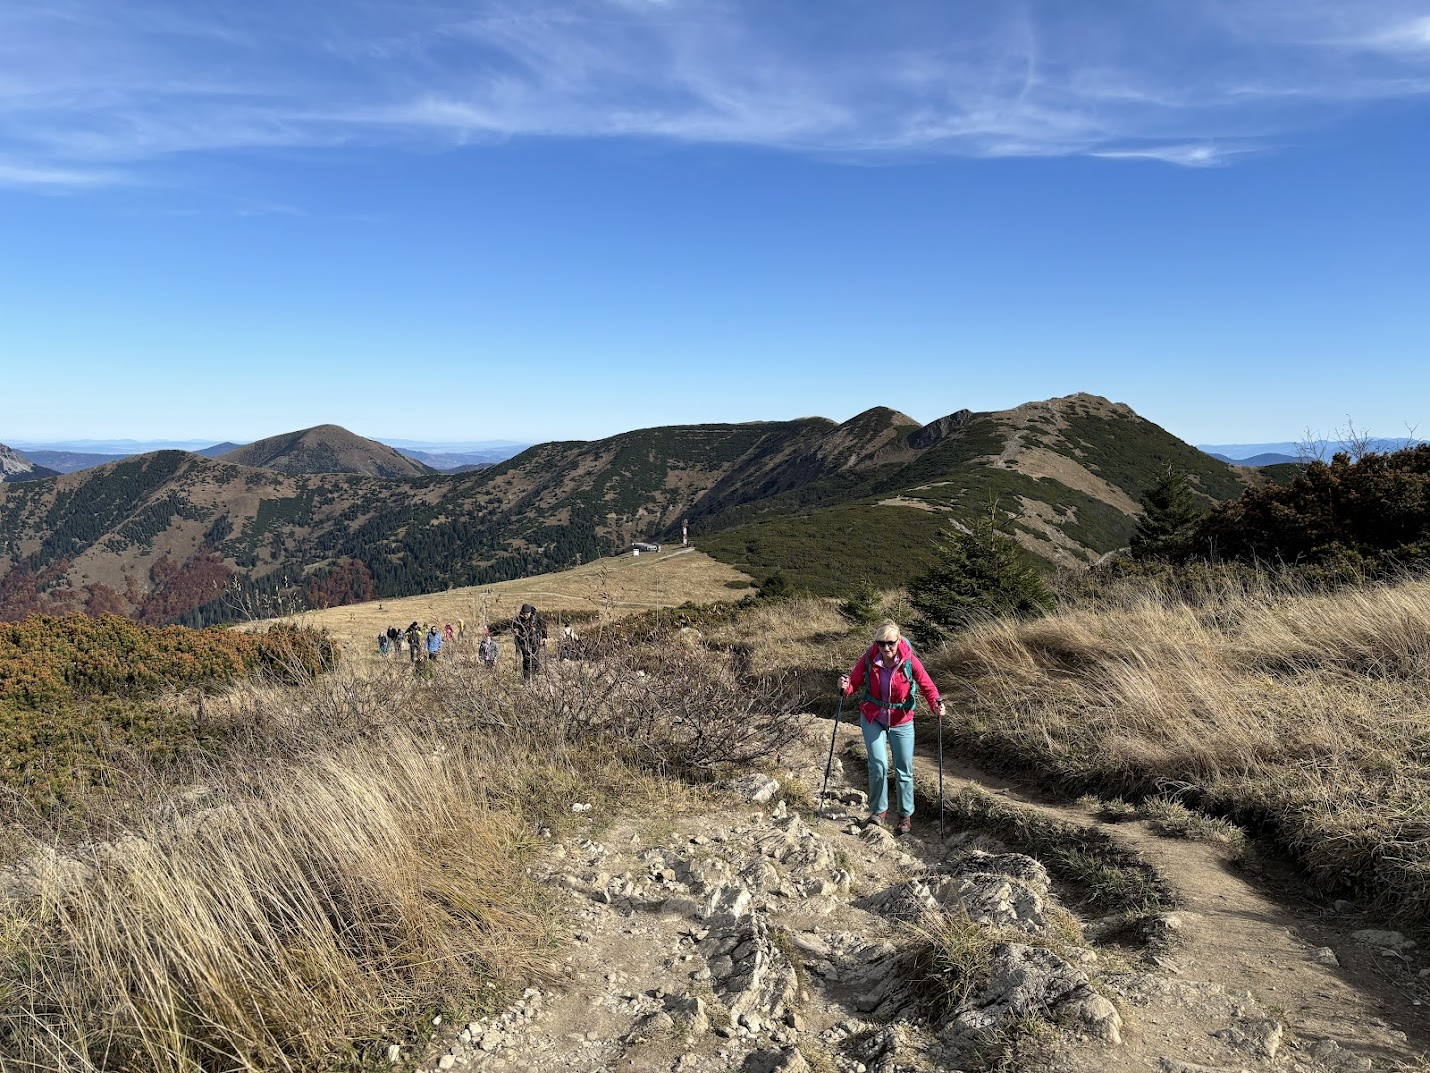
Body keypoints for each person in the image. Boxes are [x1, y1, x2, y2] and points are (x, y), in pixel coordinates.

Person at [838, 620, 945, 835]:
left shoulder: (909, 661)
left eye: (890, 643)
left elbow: (927, 685)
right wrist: (844, 687)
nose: (886, 648)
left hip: (901, 719)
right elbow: (854, 682)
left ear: (898, 640)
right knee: (877, 764)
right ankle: (878, 811)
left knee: (903, 768)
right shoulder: (870, 658)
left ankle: (905, 815)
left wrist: (936, 704)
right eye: (881, 643)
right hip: (873, 716)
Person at [513, 603, 547, 680]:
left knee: (535, 657)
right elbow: (513, 626)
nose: (526, 616)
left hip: (535, 639)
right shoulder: (519, 619)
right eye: (524, 614)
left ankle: (535, 674)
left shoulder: (535, 617)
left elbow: (543, 626)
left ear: (530, 612)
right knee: (526, 658)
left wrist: (544, 637)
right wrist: (515, 630)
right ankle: (526, 678)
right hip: (523, 640)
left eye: (527, 614)